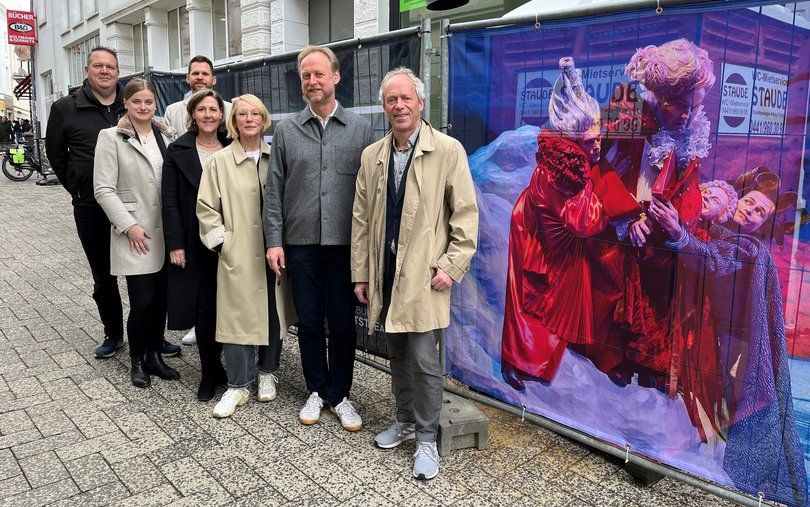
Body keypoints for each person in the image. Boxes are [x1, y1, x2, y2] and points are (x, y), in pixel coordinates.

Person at [351, 67, 479, 480]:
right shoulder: (374, 156)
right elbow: (361, 221)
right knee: (398, 354)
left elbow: (465, 215)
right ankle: (405, 422)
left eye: (406, 98)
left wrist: (452, 266)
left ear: (420, 104)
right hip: (385, 274)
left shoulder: (447, 150)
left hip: (426, 276)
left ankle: (426, 438)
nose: (399, 106)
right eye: (392, 100)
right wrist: (362, 274)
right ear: (385, 106)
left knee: (425, 359)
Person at [648, 175, 804, 507]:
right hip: (710, 335)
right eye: (749, 202)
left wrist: (678, 233)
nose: (750, 210)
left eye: (760, 212)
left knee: (732, 401)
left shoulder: (749, 247)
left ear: (763, 225)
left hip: (736, 342)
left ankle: (734, 469)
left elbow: (712, 259)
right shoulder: (717, 231)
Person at [46, 47, 181, 360]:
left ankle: (153, 338)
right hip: (92, 208)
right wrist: (79, 188)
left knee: (149, 277)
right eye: (98, 66)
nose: (104, 71)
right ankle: (114, 332)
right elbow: (56, 156)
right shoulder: (66, 108)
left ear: (118, 71)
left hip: (141, 209)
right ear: (87, 69)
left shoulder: (135, 101)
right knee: (104, 276)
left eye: (110, 66)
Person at [264, 45, 374, 431]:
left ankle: (340, 394)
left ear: (336, 77)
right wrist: (273, 241)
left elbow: (370, 192)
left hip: (347, 245)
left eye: (319, 74)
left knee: (343, 323)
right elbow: (274, 191)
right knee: (309, 321)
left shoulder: (360, 129)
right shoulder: (286, 131)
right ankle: (316, 389)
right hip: (301, 243)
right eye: (306, 75)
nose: (312, 81)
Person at [500, 58, 625, 390]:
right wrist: (609, 204)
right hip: (538, 235)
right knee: (534, 298)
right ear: (573, 142)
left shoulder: (573, 155)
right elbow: (585, 221)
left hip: (547, 229)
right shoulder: (564, 169)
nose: (598, 146)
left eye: (600, 139)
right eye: (591, 142)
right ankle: (519, 362)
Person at [598, 38, 716, 389]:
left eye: (693, 106)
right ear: (660, 96)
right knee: (620, 281)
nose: (688, 114)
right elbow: (598, 165)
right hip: (624, 216)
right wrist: (626, 216)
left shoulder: (692, 125)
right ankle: (616, 355)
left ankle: (653, 364)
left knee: (664, 289)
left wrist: (682, 221)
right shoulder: (627, 110)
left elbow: (688, 178)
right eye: (681, 104)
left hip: (666, 224)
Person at [198, 94, 293, 418]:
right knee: (236, 316)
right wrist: (224, 244)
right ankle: (238, 385)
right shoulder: (219, 162)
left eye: (256, 113)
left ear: (264, 119)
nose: (250, 118)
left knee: (273, 312)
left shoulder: (276, 157)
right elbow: (207, 209)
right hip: (238, 253)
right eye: (242, 114)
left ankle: (268, 372)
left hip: (275, 249)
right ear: (234, 121)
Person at [93, 78, 180, 388]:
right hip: (135, 233)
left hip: (165, 232)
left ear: (155, 104)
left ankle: (155, 355)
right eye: (137, 102)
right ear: (126, 104)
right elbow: (103, 189)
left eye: (148, 102)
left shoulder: (166, 137)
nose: (143, 107)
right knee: (142, 302)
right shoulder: (111, 137)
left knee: (161, 301)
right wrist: (128, 226)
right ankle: (137, 360)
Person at [162, 89, 230, 401]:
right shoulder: (178, 150)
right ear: (192, 115)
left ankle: (223, 368)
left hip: (230, 240)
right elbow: (170, 201)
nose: (207, 115)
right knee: (204, 309)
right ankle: (209, 371)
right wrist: (175, 244)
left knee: (224, 307)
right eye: (201, 109)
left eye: (213, 109)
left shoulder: (232, 147)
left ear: (221, 115)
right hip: (193, 239)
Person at [164, 56, 232, 138]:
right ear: (188, 78)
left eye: (205, 74)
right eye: (195, 73)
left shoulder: (230, 109)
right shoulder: (172, 112)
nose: (200, 77)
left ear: (214, 80)